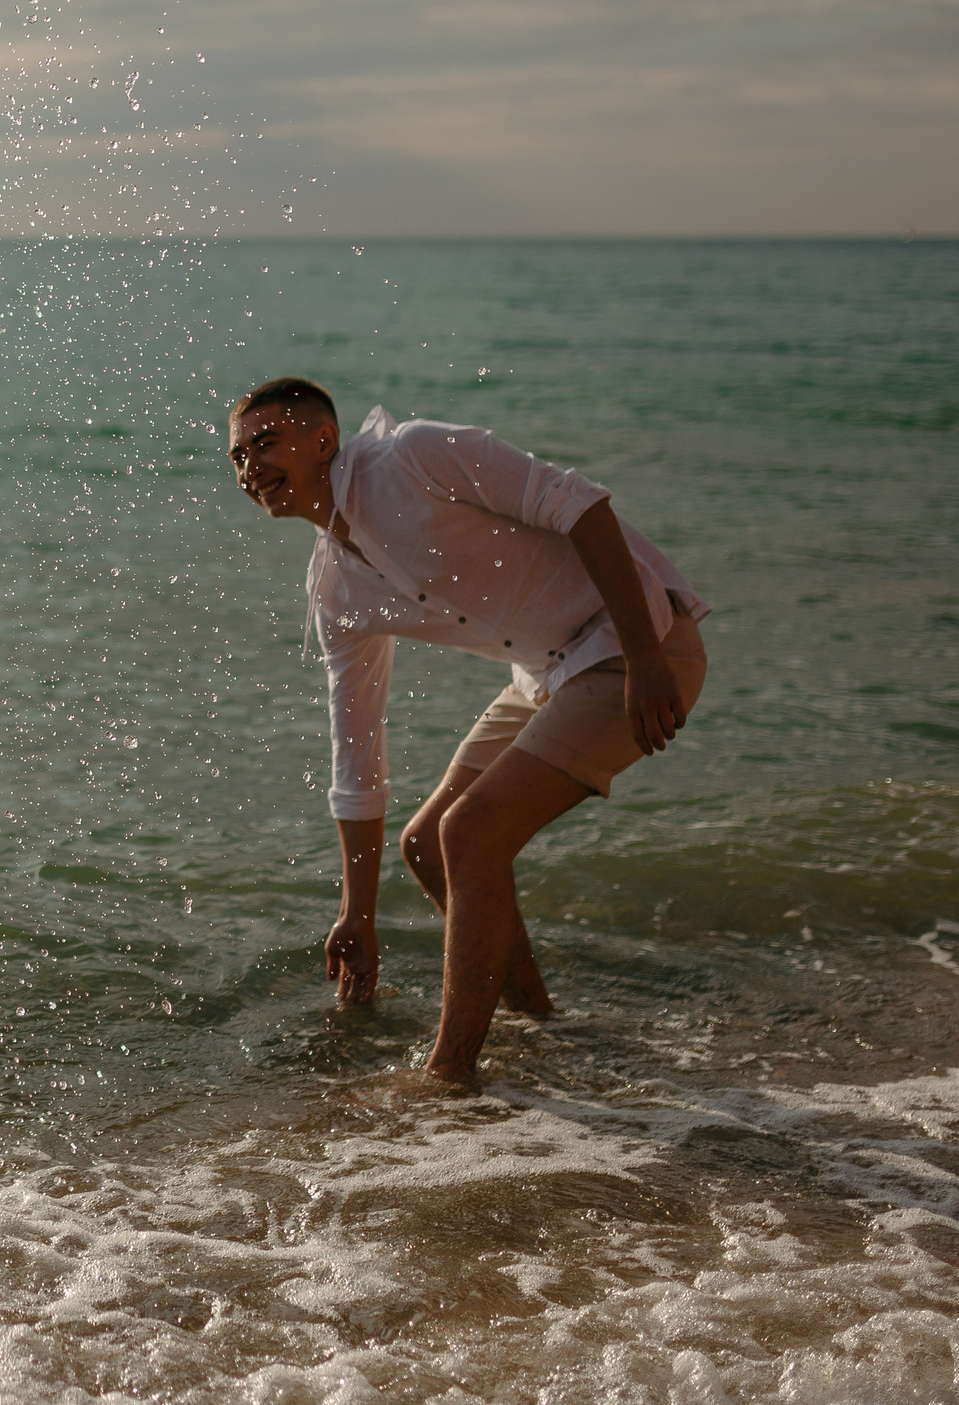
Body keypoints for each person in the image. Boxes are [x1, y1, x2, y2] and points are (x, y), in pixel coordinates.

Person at [225, 377, 708, 1089]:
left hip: (638, 644)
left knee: (471, 832)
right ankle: (542, 1026)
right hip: (549, 673)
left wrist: (642, 655)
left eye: (266, 444)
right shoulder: (335, 588)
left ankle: (450, 1075)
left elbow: (581, 504)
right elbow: (356, 755)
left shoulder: (414, 457)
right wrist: (358, 914)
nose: (249, 468)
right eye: (237, 456)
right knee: (428, 844)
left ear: (323, 441)